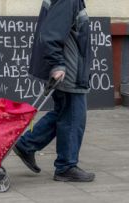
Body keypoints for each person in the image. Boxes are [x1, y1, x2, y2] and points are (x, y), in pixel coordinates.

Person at [12, 0, 95, 182]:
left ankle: (27, 145)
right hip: (69, 71)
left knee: (63, 113)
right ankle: (66, 166)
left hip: (70, 69)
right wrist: (57, 64)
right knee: (74, 117)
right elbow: (51, 34)